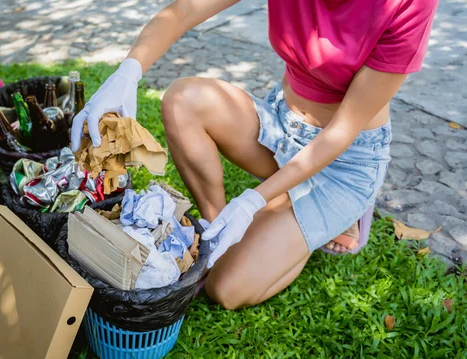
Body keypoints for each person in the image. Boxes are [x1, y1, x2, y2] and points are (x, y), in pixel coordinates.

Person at [71, 0, 438, 310]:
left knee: (227, 291)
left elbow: (341, 133)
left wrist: (253, 201)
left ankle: (324, 218)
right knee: (183, 100)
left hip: (343, 161)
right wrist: (128, 72)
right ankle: (220, 231)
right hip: (282, 127)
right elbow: (182, 11)